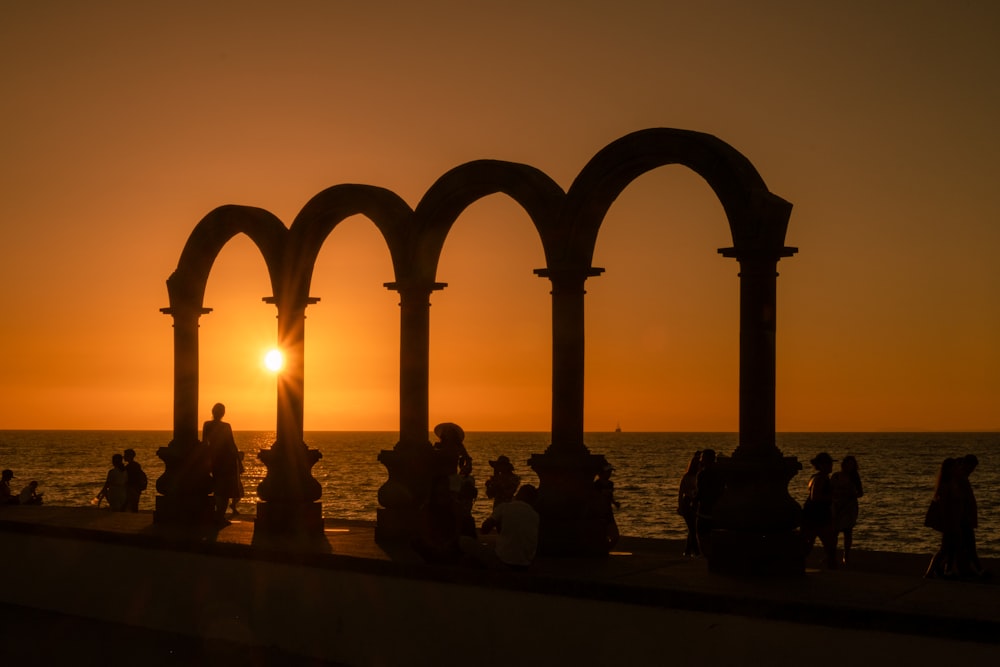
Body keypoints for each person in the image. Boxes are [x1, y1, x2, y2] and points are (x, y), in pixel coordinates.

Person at [476, 484, 540, 570]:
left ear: (517, 495)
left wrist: (497, 521)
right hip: (525, 563)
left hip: (504, 560)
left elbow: (484, 530)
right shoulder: (535, 515)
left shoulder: (504, 507)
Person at [202, 402, 241, 526]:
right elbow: (231, 444)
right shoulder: (226, 426)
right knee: (225, 491)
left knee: (219, 489)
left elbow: (204, 443)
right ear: (223, 413)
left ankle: (218, 516)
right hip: (226, 460)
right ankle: (219, 516)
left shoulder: (207, 425)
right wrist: (239, 460)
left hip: (215, 459)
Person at [925, 457, 962, 579]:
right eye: (955, 466)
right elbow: (945, 505)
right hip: (949, 521)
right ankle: (930, 572)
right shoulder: (946, 485)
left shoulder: (953, 482)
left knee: (951, 548)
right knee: (945, 549)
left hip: (953, 520)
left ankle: (945, 570)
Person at [955, 454, 988, 580]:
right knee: (969, 545)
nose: (972, 470)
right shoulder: (961, 479)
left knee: (955, 547)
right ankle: (978, 570)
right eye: (972, 467)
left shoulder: (962, 478)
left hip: (964, 518)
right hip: (963, 519)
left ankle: (952, 569)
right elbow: (962, 500)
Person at [801, 452, 837, 568]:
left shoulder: (817, 477)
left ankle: (829, 563)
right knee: (828, 543)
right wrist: (832, 497)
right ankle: (830, 565)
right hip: (817, 515)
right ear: (821, 465)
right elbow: (815, 497)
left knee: (812, 543)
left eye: (830, 463)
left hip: (814, 515)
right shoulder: (820, 478)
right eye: (827, 464)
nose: (830, 466)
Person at [830, 455, 863, 566]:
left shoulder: (854, 477)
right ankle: (831, 555)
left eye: (852, 464)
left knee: (847, 531)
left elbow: (860, 493)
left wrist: (851, 495)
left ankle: (846, 555)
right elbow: (830, 491)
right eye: (848, 464)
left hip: (849, 506)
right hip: (837, 505)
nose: (849, 466)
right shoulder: (836, 476)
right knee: (834, 532)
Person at [694, 449, 725, 558]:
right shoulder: (720, 474)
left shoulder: (702, 474)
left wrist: (693, 502)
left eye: (702, 458)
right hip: (717, 511)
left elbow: (700, 492)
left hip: (704, 511)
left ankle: (706, 556)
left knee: (702, 536)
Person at [677, 451, 701, 557]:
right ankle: (695, 551)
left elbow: (680, 493)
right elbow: (681, 493)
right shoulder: (690, 477)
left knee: (692, 528)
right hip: (689, 503)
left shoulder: (692, 476)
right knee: (692, 528)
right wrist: (680, 506)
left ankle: (687, 551)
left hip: (691, 502)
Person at [448, 457, 478, 539]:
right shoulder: (457, 478)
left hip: (466, 502)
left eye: (470, 466)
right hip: (461, 502)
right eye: (467, 466)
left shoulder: (470, 479)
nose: (469, 468)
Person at [594, 463, 621, 549]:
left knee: (615, 536)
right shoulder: (597, 484)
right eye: (608, 472)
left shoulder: (610, 484)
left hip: (608, 512)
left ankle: (606, 549)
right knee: (602, 535)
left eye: (610, 472)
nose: (610, 474)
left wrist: (614, 503)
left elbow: (610, 496)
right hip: (599, 513)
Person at [123, 448, 147, 512]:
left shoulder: (129, 467)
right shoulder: (136, 465)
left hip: (132, 488)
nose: (124, 457)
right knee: (134, 505)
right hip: (136, 488)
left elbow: (130, 478)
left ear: (129, 456)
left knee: (131, 505)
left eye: (125, 455)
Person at [229, 450, 246, 516]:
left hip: (237, 480)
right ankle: (233, 506)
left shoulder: (238, 463)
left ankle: (233, 506)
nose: (243, 458)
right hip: (236, 480)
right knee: (239, 494)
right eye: (242, 456)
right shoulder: (237, 463)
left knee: (238, 495)